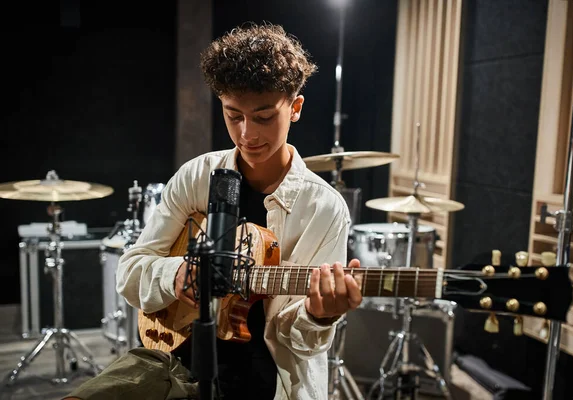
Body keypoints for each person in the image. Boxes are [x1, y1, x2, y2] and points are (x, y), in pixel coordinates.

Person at [64, 22, 362, 400]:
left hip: (269, 379)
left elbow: (300, 344)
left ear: (296, 107)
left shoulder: (323, 209)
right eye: (233, 114)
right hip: (174, 359)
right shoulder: (196, 176)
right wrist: (177, 276)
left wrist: (321, 314)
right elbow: (130, 272)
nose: (246, 134)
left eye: (264, 117)